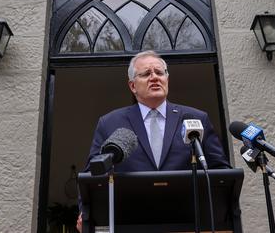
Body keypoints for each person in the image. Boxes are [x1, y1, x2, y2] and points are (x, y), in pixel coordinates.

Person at [77, 50, 230, 231]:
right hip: (130, 222)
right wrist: (85, 214)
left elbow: (221, 172)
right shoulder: (110, 122)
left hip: (188, 222)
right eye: (146, 74)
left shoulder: (195, 118)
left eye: (159, 72)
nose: (154, 78)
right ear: (133, 86)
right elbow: (92, 174)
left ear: (167, 79)